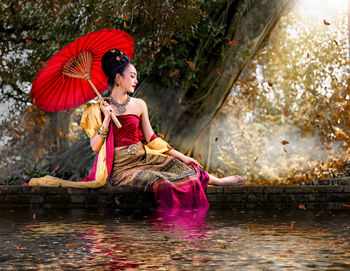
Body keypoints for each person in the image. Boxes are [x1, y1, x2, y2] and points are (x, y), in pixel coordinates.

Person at [29, 48, 244, 208]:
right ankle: (172, 227)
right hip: (122, 168)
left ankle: (216, 181)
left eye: (136, 76)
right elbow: (95, 147)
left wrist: (183, 156)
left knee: (185, 170)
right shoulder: (97, 108)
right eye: (132, 76)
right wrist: (106, 120)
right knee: (160, 183)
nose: (136, 80)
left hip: (145, 157)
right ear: (117, 78)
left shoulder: (139, 104)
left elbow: (152, 139)